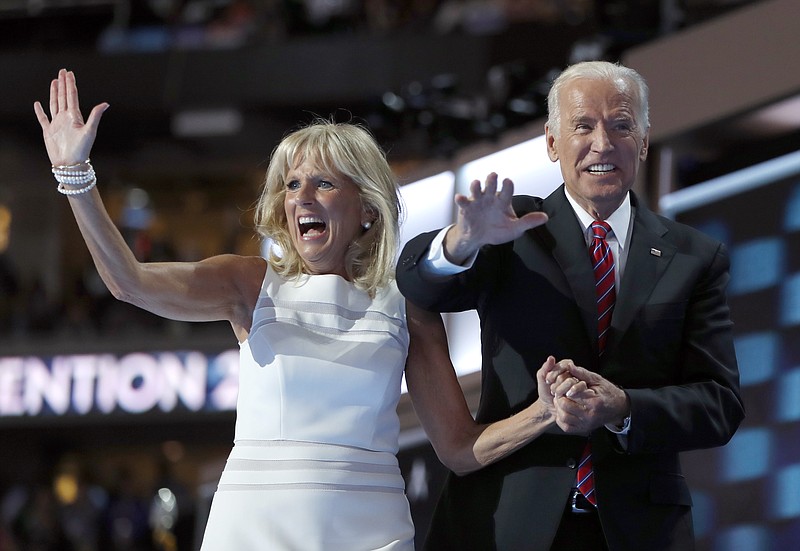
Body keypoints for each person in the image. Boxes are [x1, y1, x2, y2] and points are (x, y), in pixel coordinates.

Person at [34, 69, 572, 551]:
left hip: (371, 533)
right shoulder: (250, 284)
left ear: (366, 207)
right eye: (292, 184)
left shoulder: (407, 304)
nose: (301, 197)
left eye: (323, 182)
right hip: (253, 531)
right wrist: (75, 176)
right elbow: (131, 283)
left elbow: (457, 447)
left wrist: (542, 412)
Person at [395, 60, 745, 550]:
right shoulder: (513, 228)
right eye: (583, 125)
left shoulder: (695, 257)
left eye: (621, 125)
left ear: (643, 141)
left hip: (640, 532)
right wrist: (461, 242)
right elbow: (417, 281)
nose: (602, 143)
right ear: (553, 142)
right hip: (506, 523)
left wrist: (622, 408)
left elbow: (719, 404)